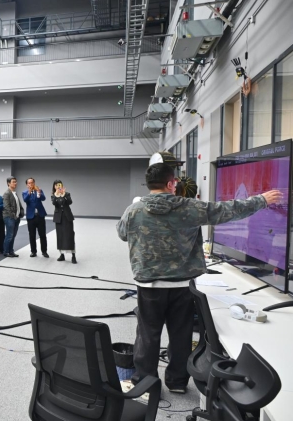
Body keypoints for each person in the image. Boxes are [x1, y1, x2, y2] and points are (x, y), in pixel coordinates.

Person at [116, 162, 282, 394]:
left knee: (147, 335)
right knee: (181, 335)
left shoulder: (133, 210)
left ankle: (146, 383)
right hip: (183, 285)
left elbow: (122, 234)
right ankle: (177, 382)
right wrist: (261, 200)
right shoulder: (190, 207)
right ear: (171, 183)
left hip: (149, 285)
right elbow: (228, 210)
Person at [51, 180, 76, 264]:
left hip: (67, 217)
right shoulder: (53, 195)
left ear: (62, 185)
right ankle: (62, 255)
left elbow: (70, 202)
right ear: (54, 187)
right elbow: (54, 203)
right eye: (56, 185)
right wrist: (57, 195)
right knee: (60, 236)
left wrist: (64, 195)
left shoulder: (67, 194)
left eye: (59, 185)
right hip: (59, 218)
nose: (58, 186)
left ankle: (73, 255)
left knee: (70, 235)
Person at [23, 177, 48, 258]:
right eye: (29, 183)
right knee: (32, 235)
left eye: (32, 182)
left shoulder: (39, 190)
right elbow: (25, 200)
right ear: (27, 185)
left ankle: (44, 251)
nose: (31, 184)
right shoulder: (25, 192)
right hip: (31, 216)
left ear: (34, 183)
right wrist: (29, 192)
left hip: (40, 215)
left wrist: (39, 192)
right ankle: (33, 251)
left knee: (42, 234)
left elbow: (43, 198)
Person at [2, 176, 24, 257]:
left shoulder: (14, 193)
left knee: (13, 235)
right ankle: (6, 251)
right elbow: (7, 207)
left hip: (16, 217)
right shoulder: (7, 193)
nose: (15, 183)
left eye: (16, 181)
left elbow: (18, 205)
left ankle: (11, 251)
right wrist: (13, 216)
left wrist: (21, 212)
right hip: (9, 217)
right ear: (8, 183)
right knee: (9, 235)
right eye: (13, 182)